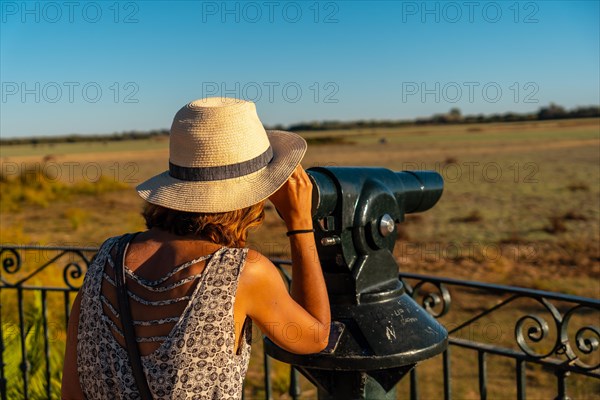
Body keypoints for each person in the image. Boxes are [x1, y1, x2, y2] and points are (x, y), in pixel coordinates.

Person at [62, 97, 331, 399]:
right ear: (255, 194)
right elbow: (316, 337)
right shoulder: (240, 273)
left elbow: (72, 391)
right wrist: (300, 224)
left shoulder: (107, 259)